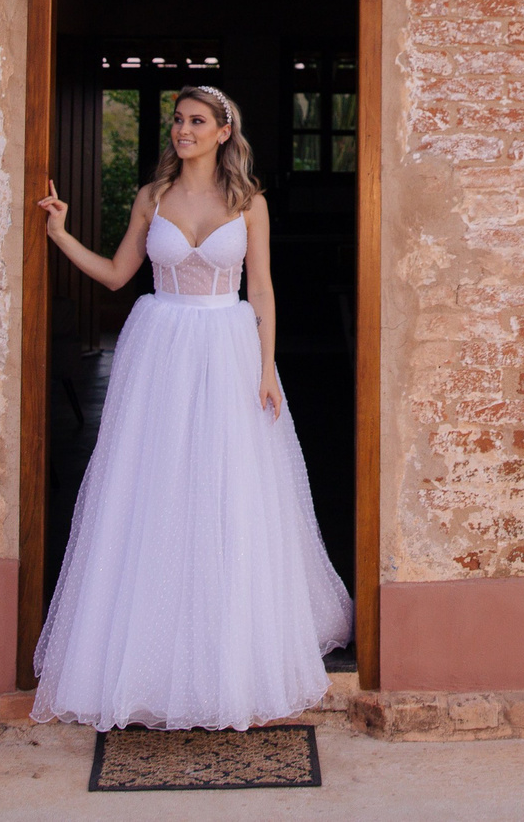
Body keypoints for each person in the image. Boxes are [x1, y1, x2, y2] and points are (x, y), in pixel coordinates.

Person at [30, 84, 353, 729]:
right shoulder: (152, 197)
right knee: (154, 491)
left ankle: (228, 652)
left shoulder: (250, 203)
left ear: (223, 132)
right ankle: (148, 654)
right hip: (162, 349)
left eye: (196, 121)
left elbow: (260, 288)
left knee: (229, 490)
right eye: (177, 120)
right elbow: (120, 275)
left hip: (230, 348)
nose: (182, 130)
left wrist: (267, 368)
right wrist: (61, 234)